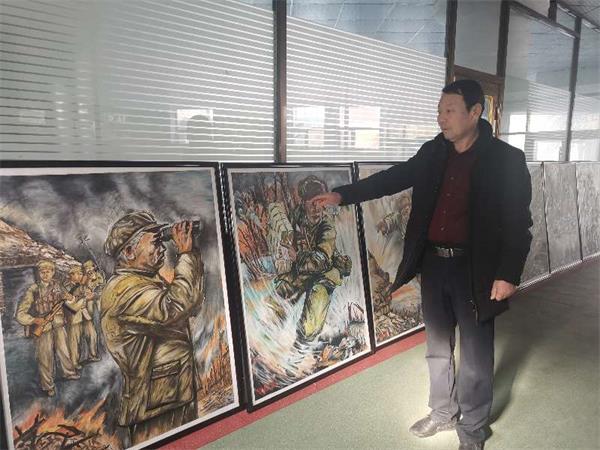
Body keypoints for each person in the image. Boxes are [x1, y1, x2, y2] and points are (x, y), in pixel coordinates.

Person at [311, 79, 532, 450]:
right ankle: (442, 412)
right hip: (434, 264)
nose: (441, 118)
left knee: (476, 353)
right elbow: (394, 178)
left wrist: (508, 274)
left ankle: (473, 428)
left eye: (449, 111)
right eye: (439, 110)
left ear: (475, 112)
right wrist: (342, 195)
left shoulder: (505, 160)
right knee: (437, 345)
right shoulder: (433, 151)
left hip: (475, 269)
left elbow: (518, 223)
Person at [100, 211, 205, 445]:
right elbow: (177, 305)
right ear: (129, 252)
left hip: (171, 394)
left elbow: (193, 304)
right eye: (155, 242)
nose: (163, 248)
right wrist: (186, 254)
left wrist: (190, 255)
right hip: (154, 405)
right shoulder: (124, 290)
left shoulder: (145, 281)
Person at [274, 175, 352, 345]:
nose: (317, 208)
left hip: (326, 271)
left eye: (320, 202)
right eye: (312, 203)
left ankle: (302, 346)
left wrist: (297, 256)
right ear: (304, 203)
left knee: (316, 305)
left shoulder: (327, 226)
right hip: (304, 268)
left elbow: (321, 260)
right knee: (280, 292)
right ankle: (268, 334)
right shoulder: (296, 216)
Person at [15, 259, 80, 396]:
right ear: (39, 273)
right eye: (42, 272)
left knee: (64, 351)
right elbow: (20, 314)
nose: (45, 275)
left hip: (58, 324)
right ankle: (48, 385)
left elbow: (70, 303)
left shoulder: (58, 286)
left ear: (53, 272)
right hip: (43, 327)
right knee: (45, 357)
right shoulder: (33, 290)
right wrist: (34, 320)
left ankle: (69, 373)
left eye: (48, 272)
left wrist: (70, 298)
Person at [63, 263, 90, 369]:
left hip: (83, 316)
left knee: (81, 340)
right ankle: (73, 363)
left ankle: (80, 359)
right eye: (77, 274)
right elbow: (72, 307)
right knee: (73, 342)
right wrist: (84, 299)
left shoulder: (81, 286)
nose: (79, 276)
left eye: (80, 274)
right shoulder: (66, 287)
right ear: (71, 275)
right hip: (72, 318)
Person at [80, 259, 104, 361]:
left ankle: (100, 350)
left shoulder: (99, 277)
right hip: (88, 306)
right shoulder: (85, 279)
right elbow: (82, 290)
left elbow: (102, 290)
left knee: (99, 328)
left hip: (98, 305)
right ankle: (91, 353)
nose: (89, 270)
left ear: (94, 267)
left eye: (90, 267)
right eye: (86, 268)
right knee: (90, 330)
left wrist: (94, 294)